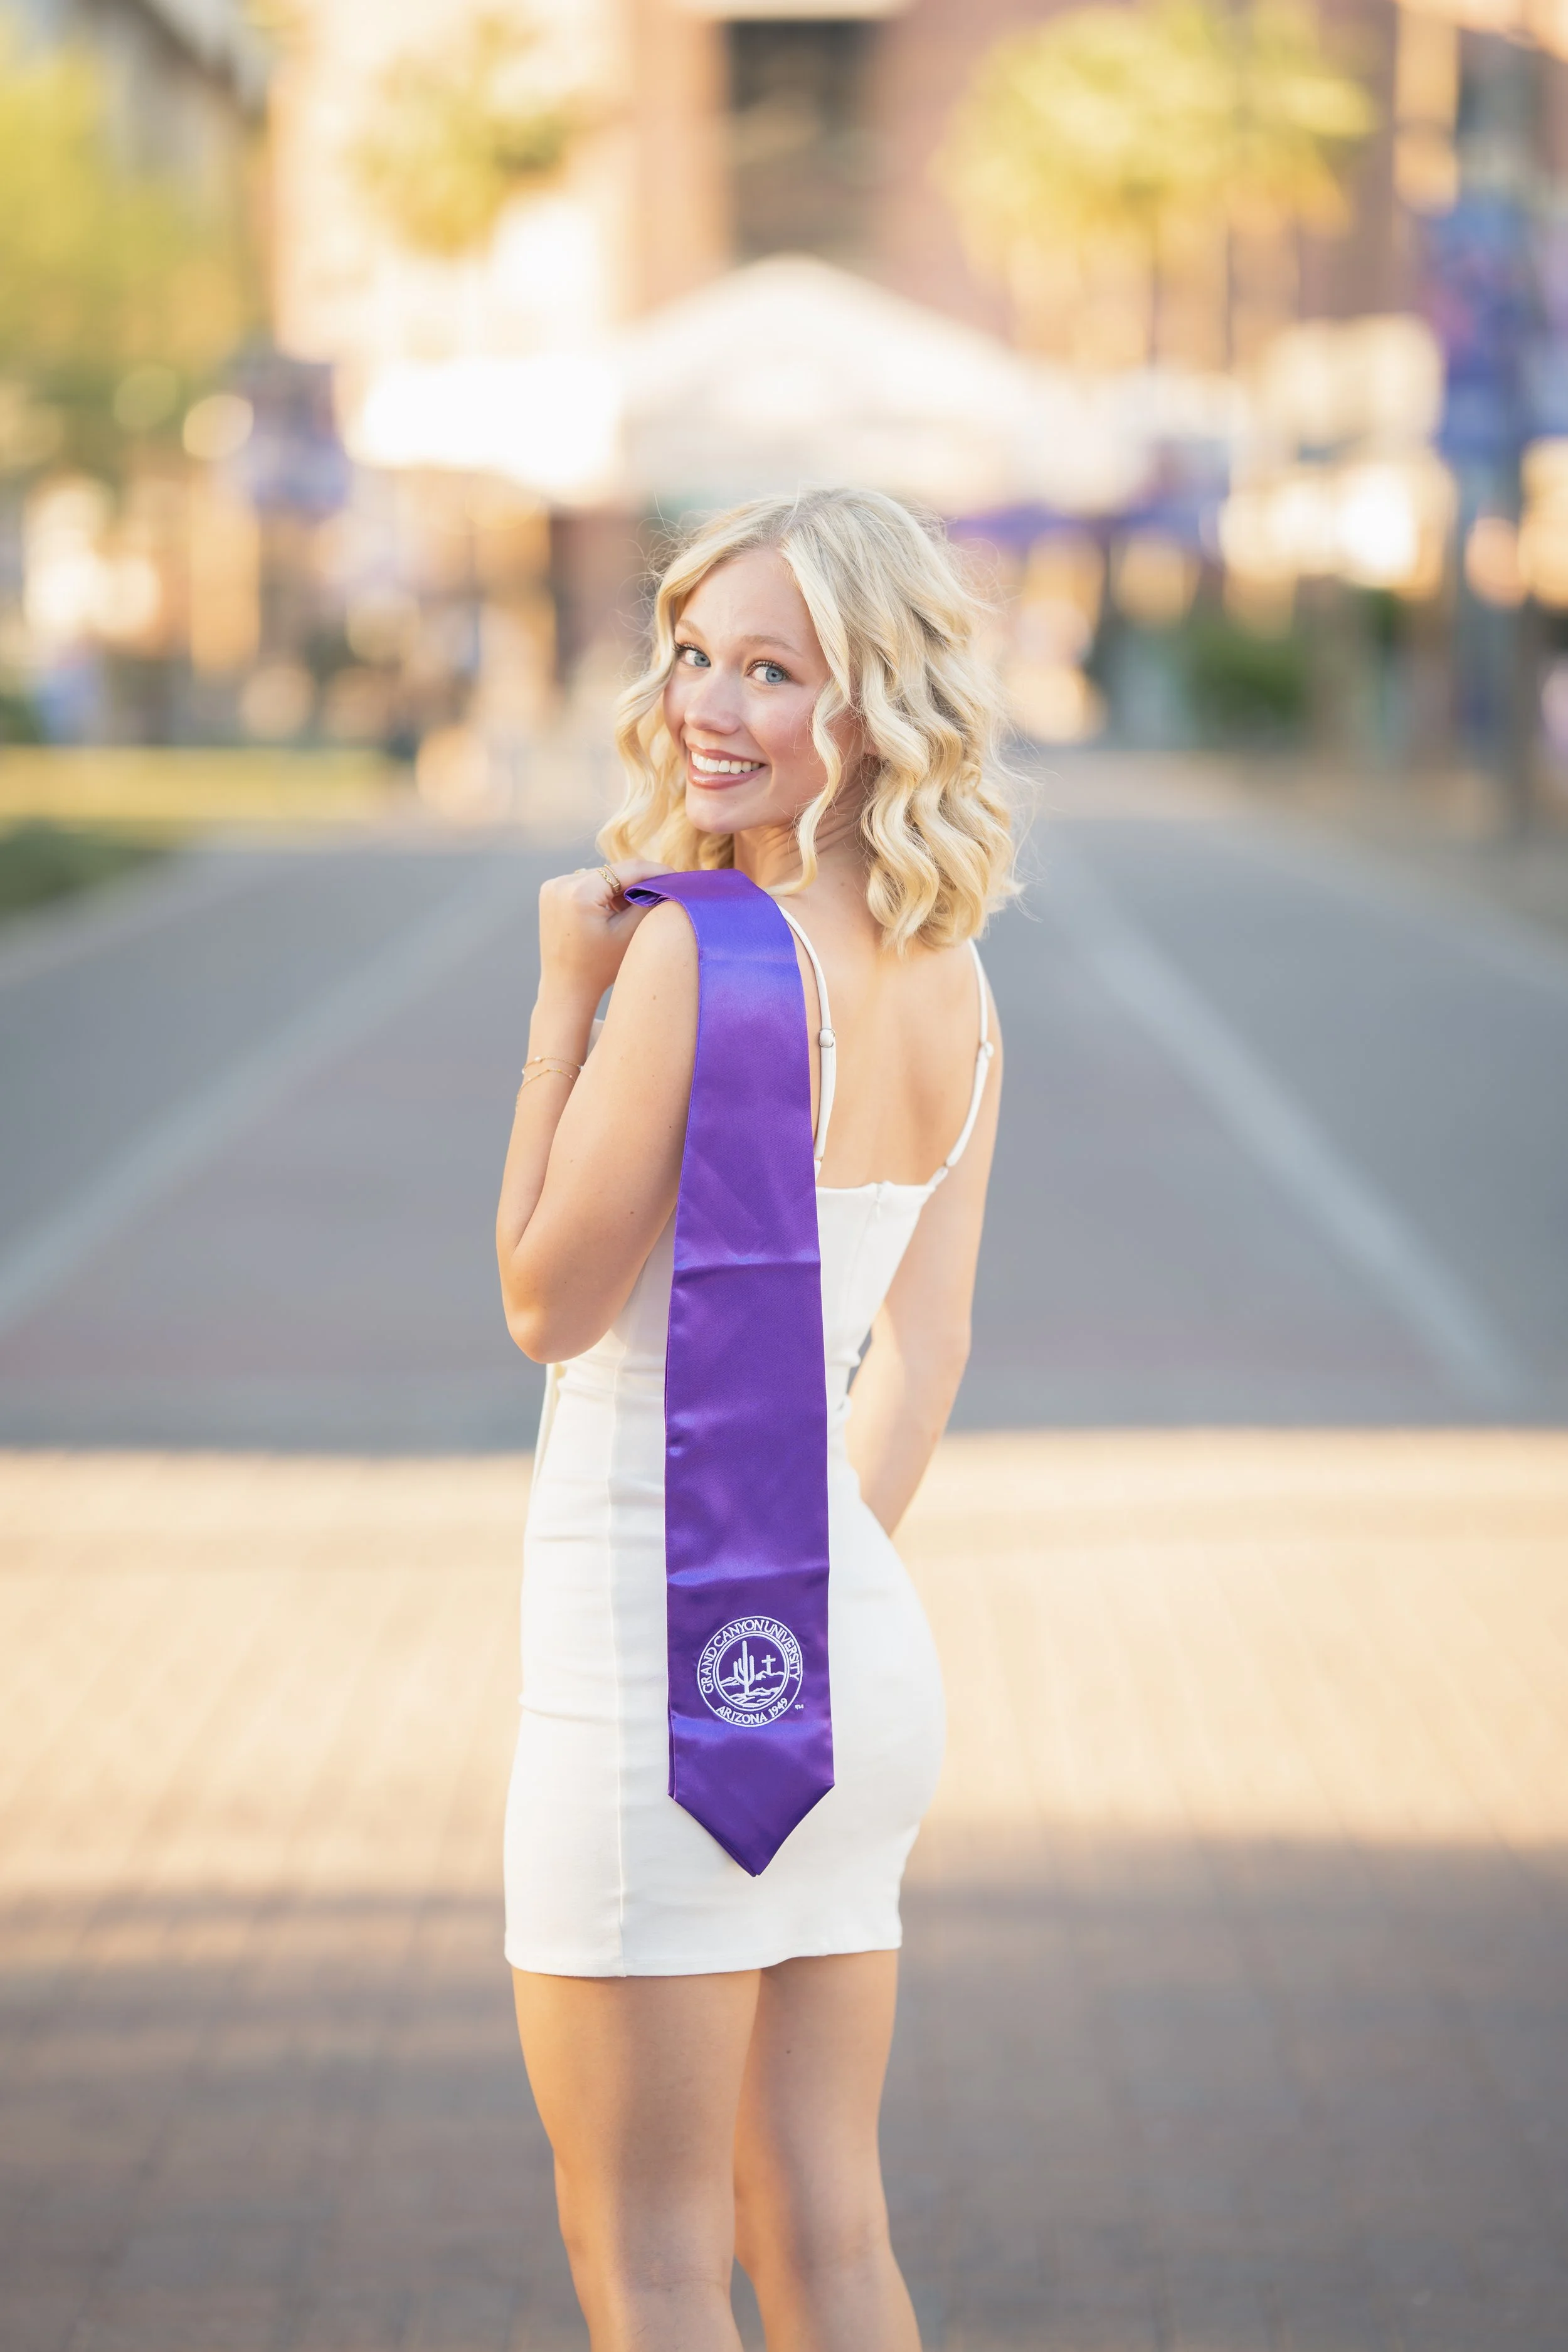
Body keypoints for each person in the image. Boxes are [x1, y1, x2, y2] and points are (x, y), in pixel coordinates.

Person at [495, 487, 1011, 2352]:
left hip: (658, 1658)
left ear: (868, 704)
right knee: (829, 2239)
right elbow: (924, 1355)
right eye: (696, 652)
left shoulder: (692, 956)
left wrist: (561, 998)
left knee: (644, 2259)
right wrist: (801, 1598)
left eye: (770, 669)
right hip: (841, 1655)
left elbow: (545, 1301)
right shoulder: (957, 981)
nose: (707, 702)